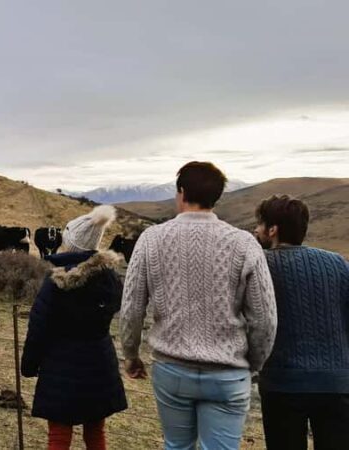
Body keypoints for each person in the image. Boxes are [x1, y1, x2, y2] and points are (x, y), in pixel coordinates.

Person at [120, 161, 277, 449]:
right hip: (228, 373)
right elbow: (265, 318)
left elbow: (131, 306)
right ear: (216, 197)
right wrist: (252, 363)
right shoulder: (244, 244)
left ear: (181, 192)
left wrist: (130, 354)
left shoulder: (151, 240)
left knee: (176, 445)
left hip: (172, 368)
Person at [21, 205, 128, 450]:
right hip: (100, 362)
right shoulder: (110, 278)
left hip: (60, 364)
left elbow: (38, 326)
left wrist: (29, 365)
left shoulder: (56, 282)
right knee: (96, 431)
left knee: (59, 434)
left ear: (69, 242)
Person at [253, 195, 349, 450]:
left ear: (272, 230)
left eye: (259, 224)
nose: (256, 230)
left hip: (283, 383)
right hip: (337, 383)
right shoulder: (337, 263)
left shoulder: (261, 265)